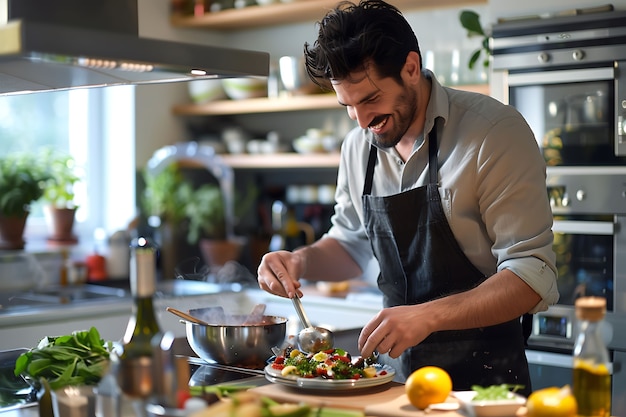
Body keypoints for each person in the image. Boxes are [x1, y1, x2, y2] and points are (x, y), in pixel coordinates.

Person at [257, 0, 558, 395]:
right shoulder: (356, 147)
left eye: (369, 100)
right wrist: (301, 260)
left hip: (487, 385)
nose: (362, 122)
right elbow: (350, 245)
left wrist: (427, 317)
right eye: (347, 106)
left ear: (411, 69)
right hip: (393, 383)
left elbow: (532, 275)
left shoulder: (494, 134)